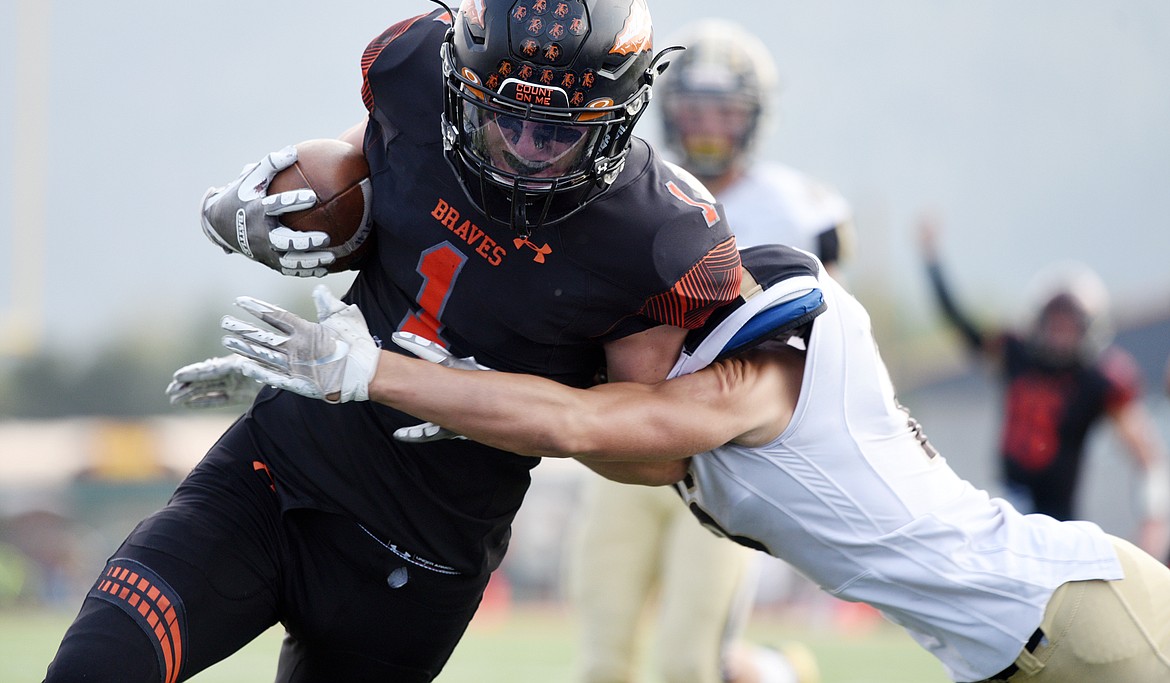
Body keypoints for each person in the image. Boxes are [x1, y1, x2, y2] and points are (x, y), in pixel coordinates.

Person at [46, 0, 745, 683]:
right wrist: (246, 215)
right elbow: (359, 187)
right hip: (276, 474)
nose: (519, 149)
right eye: (499, 117)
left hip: (419, 561)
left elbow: (651, 448)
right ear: (457, 79)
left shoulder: (659, 237)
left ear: (621, 115)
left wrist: (484, 401)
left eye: (556, 132)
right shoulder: (413, 78)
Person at [189, 242, 1170, 682]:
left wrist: (379, 372)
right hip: (1005, 649)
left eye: (650, 322)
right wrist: (441, 399)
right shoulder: (691, 433)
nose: (628, 347)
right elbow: (599, 434)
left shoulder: (762, 378)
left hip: (1082, 614)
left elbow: (583, 425)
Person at [570, 19, 849, 683]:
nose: (707, 128)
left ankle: (778, 673)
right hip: (625, 434)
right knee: (603, 656)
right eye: (693, 109)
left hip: (721, 451)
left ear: (754, 118)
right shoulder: (632, 182)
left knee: (689, 663)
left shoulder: (792, 207)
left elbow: (827, 336)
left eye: (724, 111)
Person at [919, 217, 1170, 560]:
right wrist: (933, 264)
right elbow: (963, 326)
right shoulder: (1017, 354)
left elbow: (1145, 454)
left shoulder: (1098, 380)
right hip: (1006, 502)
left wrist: (1153, 516)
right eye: (1054, 324)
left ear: (1089, 328)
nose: (1060, 335)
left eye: (1069, 326)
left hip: (1058, 520)